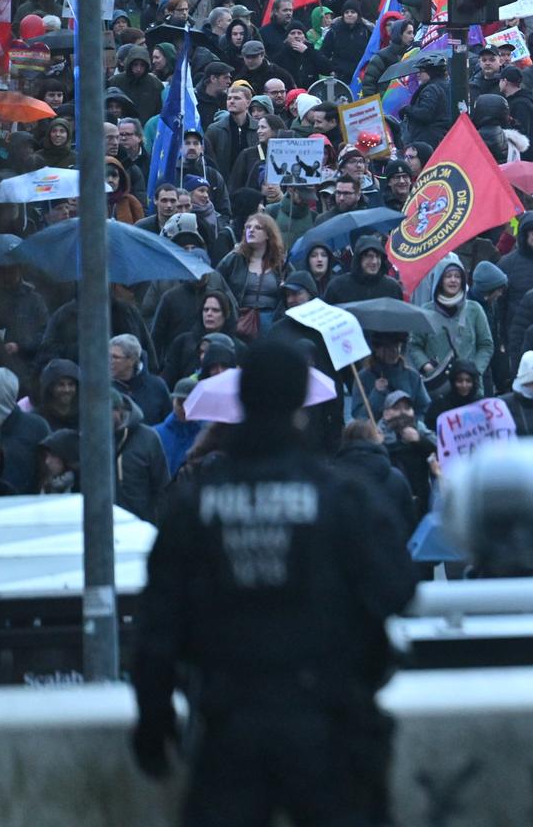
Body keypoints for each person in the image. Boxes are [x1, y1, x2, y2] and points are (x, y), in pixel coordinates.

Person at [130, 338, 416, 823]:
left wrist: (153, 719)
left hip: (229, 724)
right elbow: (396, 590)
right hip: (329, 723)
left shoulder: (195, 506)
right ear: (299, 405)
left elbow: (157, 627)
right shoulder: (342, 499)